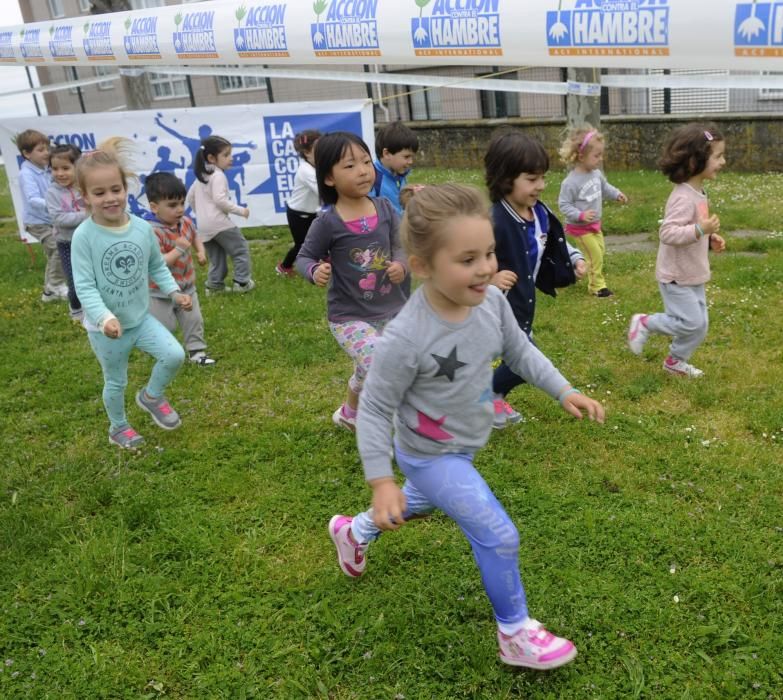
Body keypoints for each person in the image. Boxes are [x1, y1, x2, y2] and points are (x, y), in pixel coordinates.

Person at [328, 184, 605, 670]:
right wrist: (380, 479)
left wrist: (564, 390)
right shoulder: (405, 337)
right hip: (430, 454)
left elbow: (520, 352)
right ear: (422, 266)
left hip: (464, 443)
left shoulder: (492, 302)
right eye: (467, 259)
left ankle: (354, 532)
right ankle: (516, 634)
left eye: (489, 253)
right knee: (498, 534)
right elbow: (372, 410)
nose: (484, 268)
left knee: (418, 501)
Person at [71, 138, 191, 449]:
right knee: (116, 381)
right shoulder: (84, 237)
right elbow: (84, 286)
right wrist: (104, 318)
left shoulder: (141, 228)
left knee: (174, 354)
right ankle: (118, 428)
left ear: (126, 189)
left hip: (140, 318)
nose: (110, 198)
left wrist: (174, 292)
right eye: (99, 193)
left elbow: (156, 266)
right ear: (85, 196)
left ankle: (151, 396)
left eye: (116, 189)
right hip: (106, 329)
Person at [295, 131, 409, 432]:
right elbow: (303, 257)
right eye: (349, 165)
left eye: (365, 161)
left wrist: (401, 263)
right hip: (349, 317)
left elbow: (401, 245)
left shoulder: (384, 207)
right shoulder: (327, 222)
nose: (362, 170)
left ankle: (349, 413)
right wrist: (313, 270)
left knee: (366, 368)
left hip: (392, 310)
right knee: (381, 365)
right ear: (329, 178)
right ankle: (402, 433)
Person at [484, 130, 587, 429]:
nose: (540, 186)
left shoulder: (537, 213)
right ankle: (473, 401)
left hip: (522, 303)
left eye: (542, 177)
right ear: (505, 178)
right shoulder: (494, 221)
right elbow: (467, 256)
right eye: (531, 179)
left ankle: (488, 395)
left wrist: (574, 257)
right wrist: (489, 278)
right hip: (493, 308)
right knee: (519, 356)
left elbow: (552, 241)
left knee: (522, 356)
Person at [627, 123, 726, 377]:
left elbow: (693, 228)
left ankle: (675, 362)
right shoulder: (682, 196)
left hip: (693, 272)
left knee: (700, 325)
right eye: (718, 156)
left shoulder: (699, 191)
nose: (723, 161)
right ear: (696, 160)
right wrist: (700, 231)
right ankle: (645, 323)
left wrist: (710, 236)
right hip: (676, 276)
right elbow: (668, 233)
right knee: (690, 322)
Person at [145, 171, 215, 367]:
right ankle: (165, 354)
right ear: (154, 207)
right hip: (159, 292)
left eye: (182, 203)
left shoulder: (184, 222)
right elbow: (157, 263)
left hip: (187, 286)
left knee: (194, 320)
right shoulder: (151, 231)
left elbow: (194, 236)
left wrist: (200, 251)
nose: (179, 209)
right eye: (172, 205)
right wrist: (178, 250)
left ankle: (196, 351)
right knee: (164, 326)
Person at [557, 125, 628, 298]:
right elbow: (563, 204)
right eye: (596, 155)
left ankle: (575, 268)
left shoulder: (596, 174)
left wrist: (616, 194)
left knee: (598, 253)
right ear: (581, 156)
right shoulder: (570, 182)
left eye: (601, 155)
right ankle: (597, 287)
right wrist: (580, 215)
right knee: (595, 255)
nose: (600, 159)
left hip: (595, 225)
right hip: (580, 228)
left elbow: (605, 187)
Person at [186, 135, 254, 295]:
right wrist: (241, 210)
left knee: (217, 257)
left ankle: (214, 286)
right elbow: (220, 200)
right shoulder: (218, 175)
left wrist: (202, 214)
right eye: (226, 155)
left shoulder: (202, 176)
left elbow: (190, 198)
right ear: (211, 158)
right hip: (219, 223)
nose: (230, 158)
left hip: (203, 226)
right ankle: (242, 283)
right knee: (240, 250)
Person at [17, 129, 68, 302]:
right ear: (26, 153)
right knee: (57, 249)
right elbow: (32, 200)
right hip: (37, 222)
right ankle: (55, 286)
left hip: (49, 220)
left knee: (55, 252)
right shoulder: (26, 174)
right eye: (40, 150)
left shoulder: (47, 170)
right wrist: (53, 206)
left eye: (47, 148)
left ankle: (49, 292)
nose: (46, 153)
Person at [45, 143, 87, 320]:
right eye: (55, 169)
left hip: (88, 241)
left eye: (65, 168)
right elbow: (59, 219)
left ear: (78, 167)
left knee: (92, 277)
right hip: (67, 243)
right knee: (74, 280)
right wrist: (87, 215)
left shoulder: (85, 186)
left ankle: (96, 307)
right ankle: (76, 310)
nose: (60, 173)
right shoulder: (52, 192)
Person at [276, 129, 321, 278]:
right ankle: (284, 266)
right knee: (302, 244)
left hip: (311, 212)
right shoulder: (306, 171)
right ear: (307, 153)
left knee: (318, 238)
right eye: (319, 149)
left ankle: (323, 260)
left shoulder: (317, 166)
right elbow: (322, 191)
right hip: (298, 214)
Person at [372, 121, 419, 214]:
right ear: (387, 154)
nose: (411, 162)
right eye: (406, 157)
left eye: (412, 157)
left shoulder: (400, 174)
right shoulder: (372, 179)